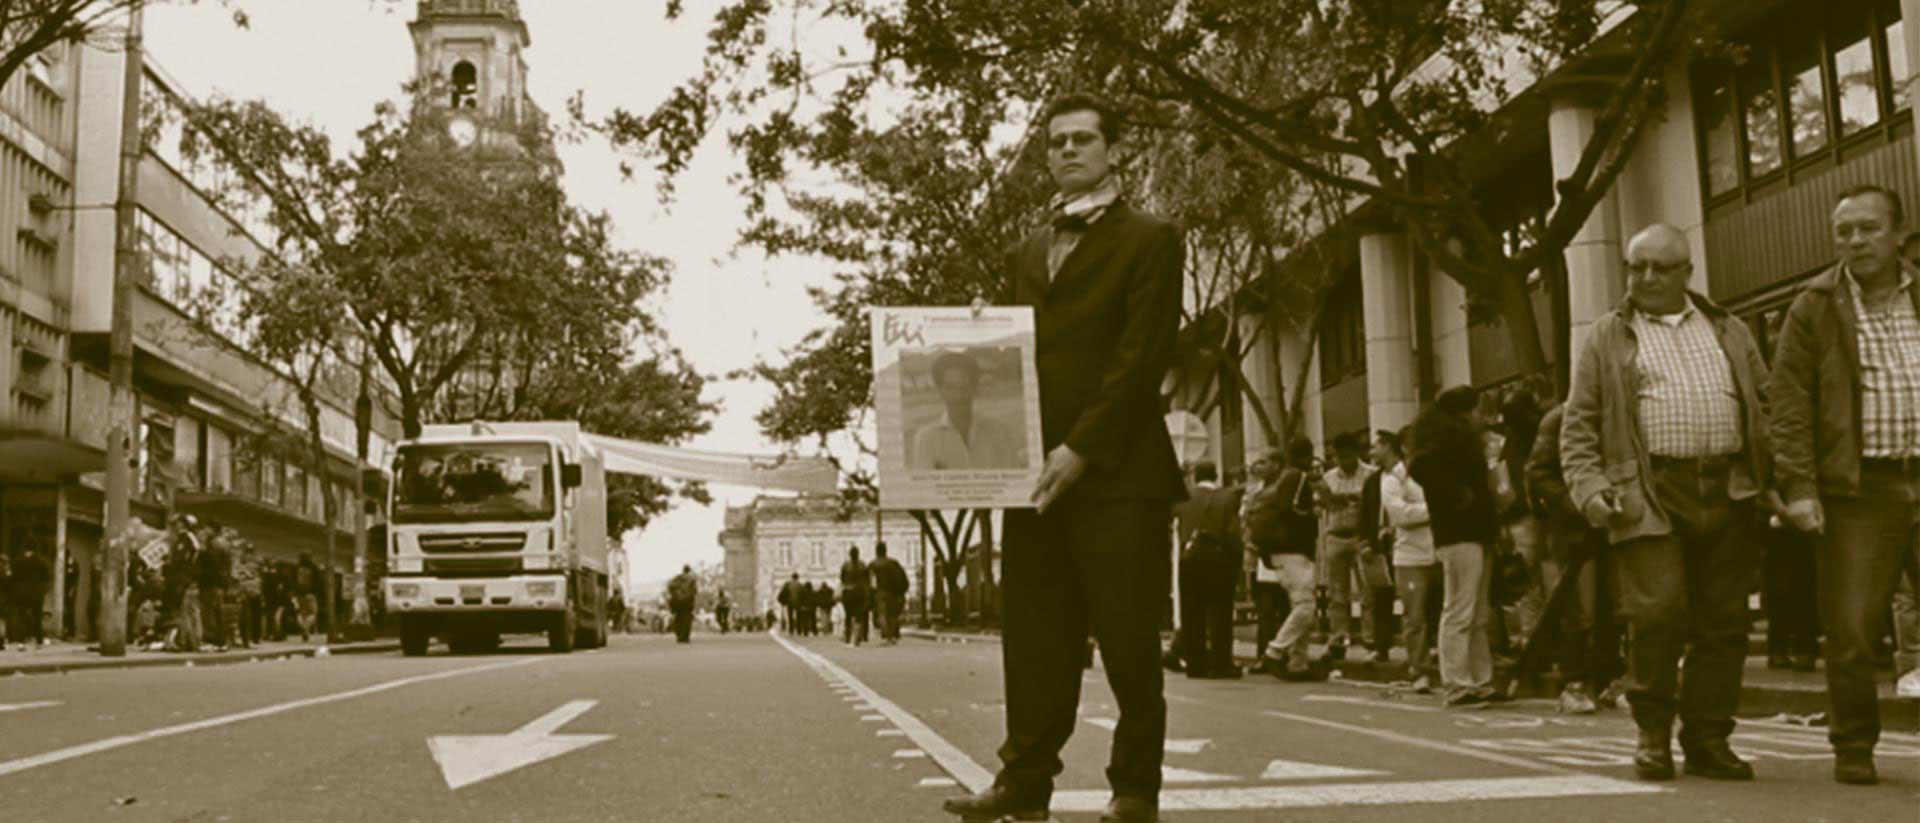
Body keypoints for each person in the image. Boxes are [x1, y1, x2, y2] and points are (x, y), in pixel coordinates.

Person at [941, 93, 1184, 823]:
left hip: (1119, 473)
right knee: (1035, 641)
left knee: (1128, 642)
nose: (1069, 151)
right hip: (1032, 478)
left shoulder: (1152, 238)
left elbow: (1141, 360)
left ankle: (1135, 789)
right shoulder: (1026, 249)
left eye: (1083, 139)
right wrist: (981, 335)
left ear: (1114, 151)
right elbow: (1020, 359)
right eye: (1056, 143)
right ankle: (1024, 782)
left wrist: (1081, 447)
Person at [1562, 222, 1772, 783]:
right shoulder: (1608, 334)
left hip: (1730, 489)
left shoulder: (1728, 328)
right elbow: (1578, 422)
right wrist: (1590, 489)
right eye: (1637, 267)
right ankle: (1652, 734)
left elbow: (1766, 404)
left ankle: (1707, 737)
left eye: (1661, 267)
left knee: (1725, 622)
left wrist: (1779, 481)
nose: (1647, 278)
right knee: (1657, 613)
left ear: (1687, 272)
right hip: (1649, 492)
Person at [1769, 185, 1920, 786]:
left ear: (1899, 235)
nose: (1855, 241)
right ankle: (1854, 745)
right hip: (1861, 489)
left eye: (1868, 228)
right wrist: (1799, 486)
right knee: (1853, 627)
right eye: (1845, 231)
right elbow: (1788, 401)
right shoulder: (1815, 306)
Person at [1528, 400, 1622, 715]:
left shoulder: (1614, 412)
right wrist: (1574, 503)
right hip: (1576, 528)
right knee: (1581, 608)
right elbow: (1538, 472)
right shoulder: (1560, 419)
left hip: (1613, 522)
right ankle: (1575, 681)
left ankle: (1607, 678)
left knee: (1613, 605)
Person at [1411, 387, 1501, 708]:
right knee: (1462, 608)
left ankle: (1477, 678)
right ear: (1466, 411)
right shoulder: (1450, 442)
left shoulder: (1449, 439)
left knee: (1474, 610)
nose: (1482, 416)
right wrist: (1457, 494)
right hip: (1462, 529)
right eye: (1478, 409)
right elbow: (1421, 468)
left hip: (1468, 529)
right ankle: (1459, 681)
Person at [1249, 438, 1322, 680]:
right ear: (1307, 456)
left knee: (1299, 605)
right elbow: (1289, 509)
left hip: (1278, 552)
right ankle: (1275, 651)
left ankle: (1298, 663)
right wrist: (1312, 512)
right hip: (1294, 550)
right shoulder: (1297, 477)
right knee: (1306, 607)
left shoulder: (1278, 481)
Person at [1381, 427, 1439, 692]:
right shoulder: (1393, 480)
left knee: (1448, 613)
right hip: (1410, 557)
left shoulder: (1437, 473)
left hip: (1440, 551)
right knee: (1415, 617)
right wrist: (1435, 509)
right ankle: (1419, 670)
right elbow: (1400, 515)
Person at [1174, 462, 1243, 679]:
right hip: (1218, 559)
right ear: (1216, 475)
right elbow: (1233, 533)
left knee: (1191, 611)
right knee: (1220, 611)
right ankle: (1220, 663)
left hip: (1189, 558)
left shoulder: (1183, 497)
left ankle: (1195, 663)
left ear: (1195, 477)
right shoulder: (1228, 498)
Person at [1312, 433, 1373, 662]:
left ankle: (1369, 638)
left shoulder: (1369, 474)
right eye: (1339, 458)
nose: (1343, 462)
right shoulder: (1328, 478)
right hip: (1335, 535)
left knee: (1368, 591)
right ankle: (1339, 637)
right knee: (1337, 593)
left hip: (1360, 535)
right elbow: (1321, 504)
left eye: (1347, 457)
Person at [911, 351, 1025, 470]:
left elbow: (1012, 482)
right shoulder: (926, 439)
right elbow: (925, 487)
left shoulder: (1000, 433)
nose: (958, 395)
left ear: (975, 388)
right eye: (950, 387)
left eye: (964, 386)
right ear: (940, 391)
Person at [1238, 451, 1290, 667]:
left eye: (1263, 462)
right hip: (1260, 555)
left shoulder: (1282, 489)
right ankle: (1265, 654)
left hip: (1282, 552)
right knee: (1265, 607)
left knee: (1284, 605)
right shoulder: (1252, 491)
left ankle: (1284, 652)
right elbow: (1245, 521)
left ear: (1276, 465)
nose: (1257, 466)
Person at [870, 542, 910, 644]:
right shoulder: (893, 563)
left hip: (880, 592)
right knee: (892, 615)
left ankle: (886, 635)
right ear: (885, 550)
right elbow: (902, 577)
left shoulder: (873, 565)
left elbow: (870, 581)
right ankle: (891, 635)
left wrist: (871, 593)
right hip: (893, 592)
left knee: (882, 614)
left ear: (876, 551)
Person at [10, 547, 50, 649]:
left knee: (21, 618)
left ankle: (21, 643)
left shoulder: (18, 561)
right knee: (37, 618)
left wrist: (16, 591)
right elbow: (47, 577)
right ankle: (39, 642)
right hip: (36, 594)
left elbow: (13, 577)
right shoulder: (41, 561)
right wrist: (43, 590)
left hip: (22, 594)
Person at [667, 565, 698, 644]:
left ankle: (679, 636)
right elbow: (694, 591)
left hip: (677, 602)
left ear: (683, 570)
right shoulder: (692, 579)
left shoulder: (677, 577)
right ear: (689, 570)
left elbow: (670, 587)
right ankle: (685, 637)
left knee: (678, 618)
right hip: (687, 602)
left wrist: (676, 595)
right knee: (687, 620)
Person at [293, 554, 320, 643]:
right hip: (311, 594)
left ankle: (304, 629)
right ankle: (306, 629)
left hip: (299, 595)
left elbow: (292, 580)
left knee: (300, 613)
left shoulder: (297, 567)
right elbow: (318, 581)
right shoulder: (313, 567)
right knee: (313, 613)